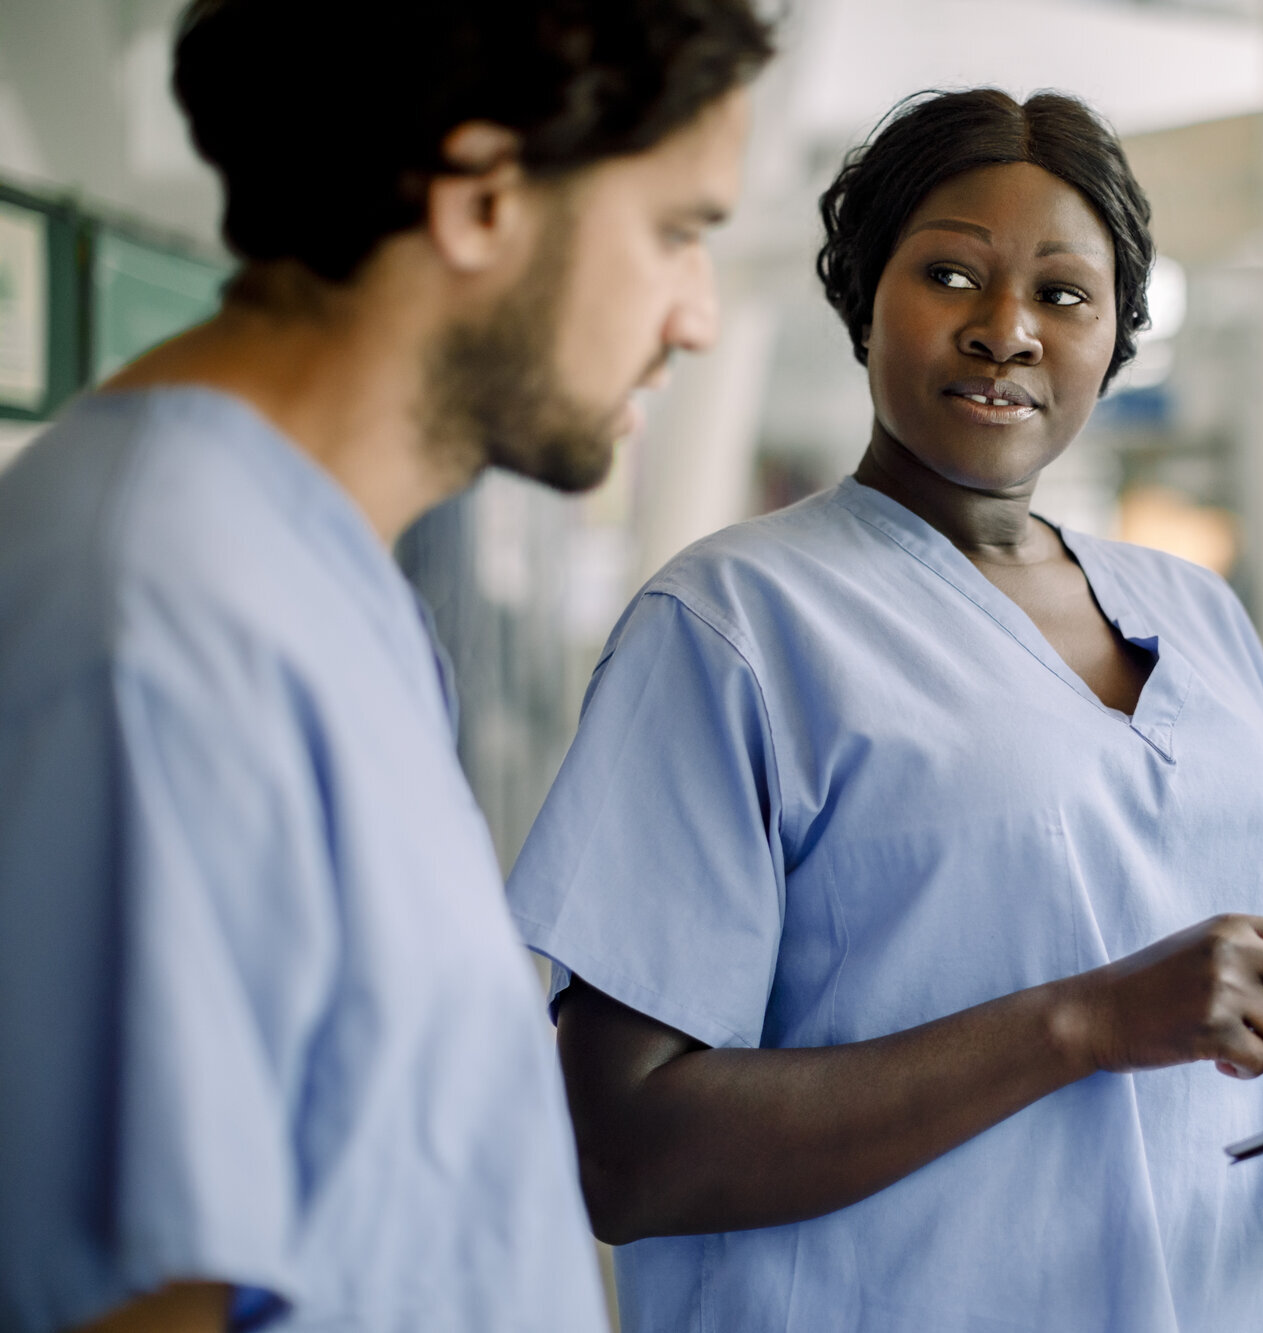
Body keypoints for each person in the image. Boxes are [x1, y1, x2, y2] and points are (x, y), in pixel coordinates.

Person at [505, 88, 1263, 1333]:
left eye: (1062, 294)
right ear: (863, 298)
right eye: (949, 275)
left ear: (1116, 336)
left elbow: (1239, 1072)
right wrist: (1083, 1021)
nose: (1005, 332)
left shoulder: (1198, 618)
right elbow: (623, 1152)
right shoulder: (733, 627)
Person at [0, 2, 771, 1330]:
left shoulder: (325, 583)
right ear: (480, 199)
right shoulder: (155, 615)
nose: (695, 317)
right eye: (674, 231)